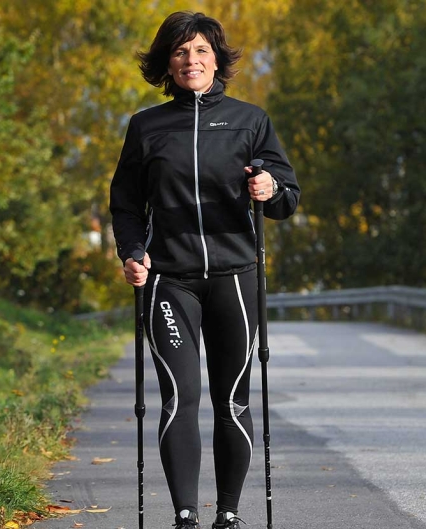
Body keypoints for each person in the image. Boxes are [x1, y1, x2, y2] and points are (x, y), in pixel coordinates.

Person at [110, 11, 300, 529]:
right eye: (179, 52)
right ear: (165, 64)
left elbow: (287, 199)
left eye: (199, 51)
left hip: (235, 278)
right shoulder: (146, 126)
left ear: (216, 58)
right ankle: (186, 517)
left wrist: (270, 189)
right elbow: (125, 204)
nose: (190, 61)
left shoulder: (250, 121)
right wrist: (131, 252)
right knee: (179, 397)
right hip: (169, 279)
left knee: (232, 399)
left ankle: (231, 514)